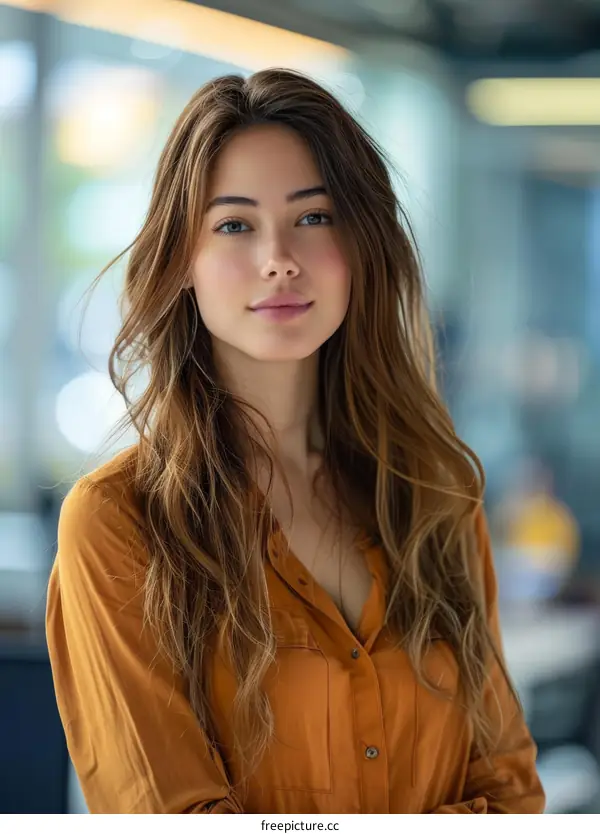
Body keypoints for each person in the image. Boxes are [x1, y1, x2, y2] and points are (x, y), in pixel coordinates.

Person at [45, 69, 545, 814]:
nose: (279, 257)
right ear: (183, 260)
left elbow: (509, 790)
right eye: (235, 225)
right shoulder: (121, 524)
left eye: (313, 218)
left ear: (360, 245)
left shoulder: (434, 495)